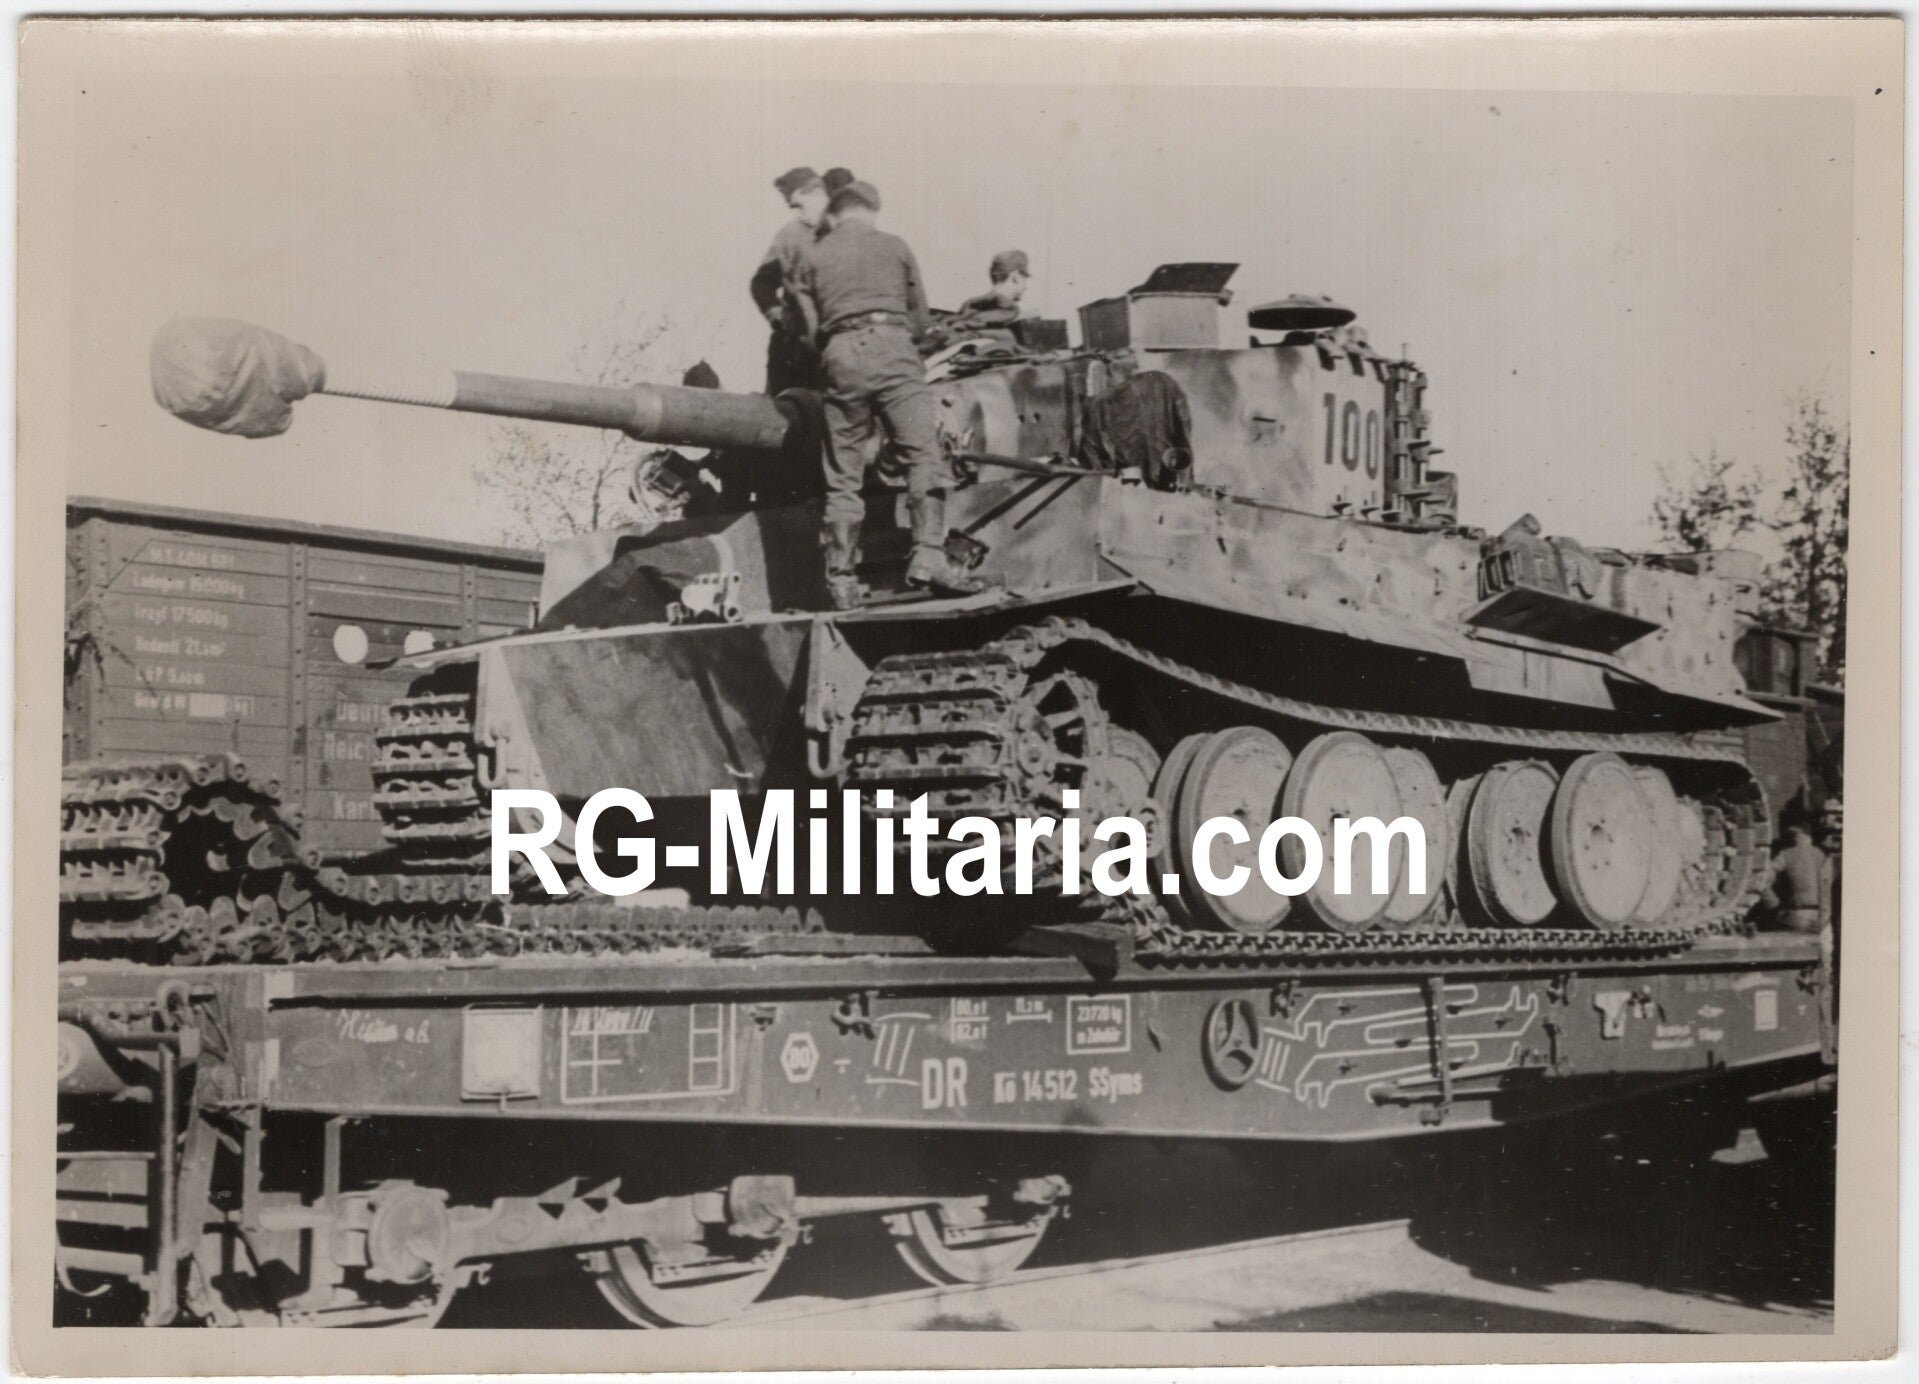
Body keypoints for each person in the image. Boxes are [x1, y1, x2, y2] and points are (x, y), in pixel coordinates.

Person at [792, 179, 985, 608]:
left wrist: (839, 346)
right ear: (869, 211)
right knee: (922, 452)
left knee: (842, 476)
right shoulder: (894, 246)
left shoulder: (813, 256)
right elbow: (919, 319)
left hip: (840, 356)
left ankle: (840, 580)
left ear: (835, 215)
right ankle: (928, 556)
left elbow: (805, 331)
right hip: (894, 348)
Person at [750, 167, 832, 394]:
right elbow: (762, 282)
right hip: (795, 344)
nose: (798, 214)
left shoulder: (847, 231)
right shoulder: (791, 234)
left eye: (799, 205)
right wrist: (778, 317)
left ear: (817, 193)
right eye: (792, 208)